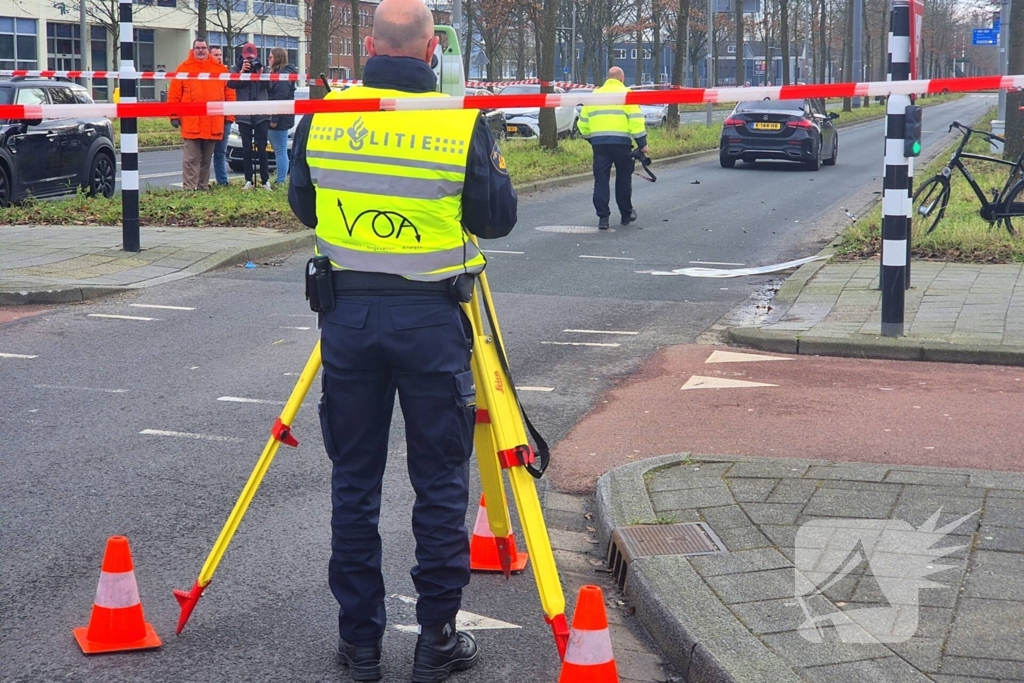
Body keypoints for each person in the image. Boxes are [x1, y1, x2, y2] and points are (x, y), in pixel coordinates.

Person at [287, 0, 516, 679]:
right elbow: (494, 218)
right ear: (430, 51)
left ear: (366, 45)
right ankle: (436, 637)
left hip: (348, 322)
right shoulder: (458, 121)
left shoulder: (323, 116)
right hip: (431, 323)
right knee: (440, 478)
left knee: (354, 481)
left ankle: (360, 645)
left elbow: (304, 203)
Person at [576, 66, 648, 229]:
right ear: (621, 79)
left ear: (607, 78)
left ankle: (603, 218)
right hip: (622, 144)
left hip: (600, 145)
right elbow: (636, 121)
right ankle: (626, 214)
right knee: (623, 179)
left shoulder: (594, 96)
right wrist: (642, 144)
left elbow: (583, 125)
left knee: (601, 181)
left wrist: (593, 140)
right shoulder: (627, 94)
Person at [167, 39, 230, 191]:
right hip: (191, 122)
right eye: (198, 48)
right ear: (193, 49)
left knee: (206, 159)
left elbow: (229, 93)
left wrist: (229, 117)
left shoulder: (220, 69)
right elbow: (174, 94)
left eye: (203, 48)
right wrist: (173, 115)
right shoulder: (183, 68)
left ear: (208, 49)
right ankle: (189, 189)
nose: (200, 50)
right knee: (191, 159)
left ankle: (202, 187)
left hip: (213, 122)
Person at [228, 42, 271, 190]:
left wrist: (260, 76)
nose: (250, 61)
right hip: (244, 114)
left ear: (257, 55)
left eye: (252, 58)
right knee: (246, 148)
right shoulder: (236, 68)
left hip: (261, 113)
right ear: (242, 55)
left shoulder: (263, 68)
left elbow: (269, 87)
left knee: (262, 147)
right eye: (247, 58)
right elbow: (230, 84)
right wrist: (242, 74)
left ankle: (265, 181)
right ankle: (248, 180)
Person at [266, 46, 297, 185]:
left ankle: (281, 181)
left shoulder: (282, 76)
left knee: (280, 151)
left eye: (270, 57)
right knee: (281, 150)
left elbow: (280, 98)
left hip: (279, 119)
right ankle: (281, 179)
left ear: (277, 58)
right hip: (284, 117)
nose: (268, 59)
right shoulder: (282, 74)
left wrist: (274, 118)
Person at [209, 46, 236, 187]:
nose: (219, 57)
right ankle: (200, 182)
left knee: (220, 152)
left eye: (220, 54)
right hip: (209, 118)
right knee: (205, 154)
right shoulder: (205, 72)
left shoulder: (224, 72)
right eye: (216, 54)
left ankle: (222, 181)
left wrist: (230, 115)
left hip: (224, 119)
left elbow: (230, 94)